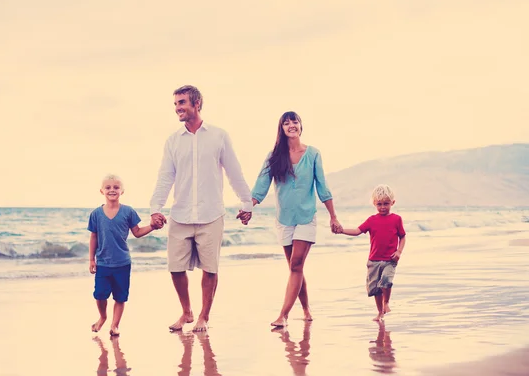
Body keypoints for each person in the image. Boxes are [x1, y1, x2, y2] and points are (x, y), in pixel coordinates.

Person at [149, 85, 253, 333]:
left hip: (211, 214)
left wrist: (246, 202)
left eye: (182, 102)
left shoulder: (218, 136)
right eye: (175, 104)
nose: (178, 108)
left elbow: (234, 171)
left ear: (197, 103)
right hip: (180, 213)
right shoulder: (173, 141)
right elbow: (165, 176)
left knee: (210, 268)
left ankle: (204, 317)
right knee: (175, 267)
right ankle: (186, 312)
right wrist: (155, 208)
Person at [251, 111, 342, 328]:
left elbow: (322, 186)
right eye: (286, 123)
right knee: (295, 268)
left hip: (306, 217)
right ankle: (306, 308)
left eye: (295, 121)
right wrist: (248, 207)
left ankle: (283, 315)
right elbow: (261, 185)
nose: (291, 125)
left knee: (296, 265)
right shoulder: (274, 156)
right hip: (284, 219)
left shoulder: (313, 154)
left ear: (301, 126)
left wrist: (333, 217)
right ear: (281, 129)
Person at [88, 174, 162, 336]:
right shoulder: (96, 214)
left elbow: (137, 232)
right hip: (103, 263)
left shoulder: (128, 212)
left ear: (122, 191)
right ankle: (103, 317)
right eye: (108, 187)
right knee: (100, 294)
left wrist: (152, 227)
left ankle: (115, 326)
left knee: (120, 297)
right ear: (101, 191)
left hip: (122, 263)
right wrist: (91, 259)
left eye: (116, 187)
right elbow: (93, 236)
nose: (112, 190)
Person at [337, 184, 407, 321]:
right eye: (379, 204)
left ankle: (386, 303)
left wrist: (399, 251)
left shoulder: (396, 219)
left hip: (390, 260)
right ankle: (380, 313)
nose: (382, 207)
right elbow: (357, 231)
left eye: (386, 204)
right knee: (375, 288)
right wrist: (341, 230)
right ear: (374, 203)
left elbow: (403, 236)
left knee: (386, 281)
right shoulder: (372, 220)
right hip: (373, 260)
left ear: (393, 203)